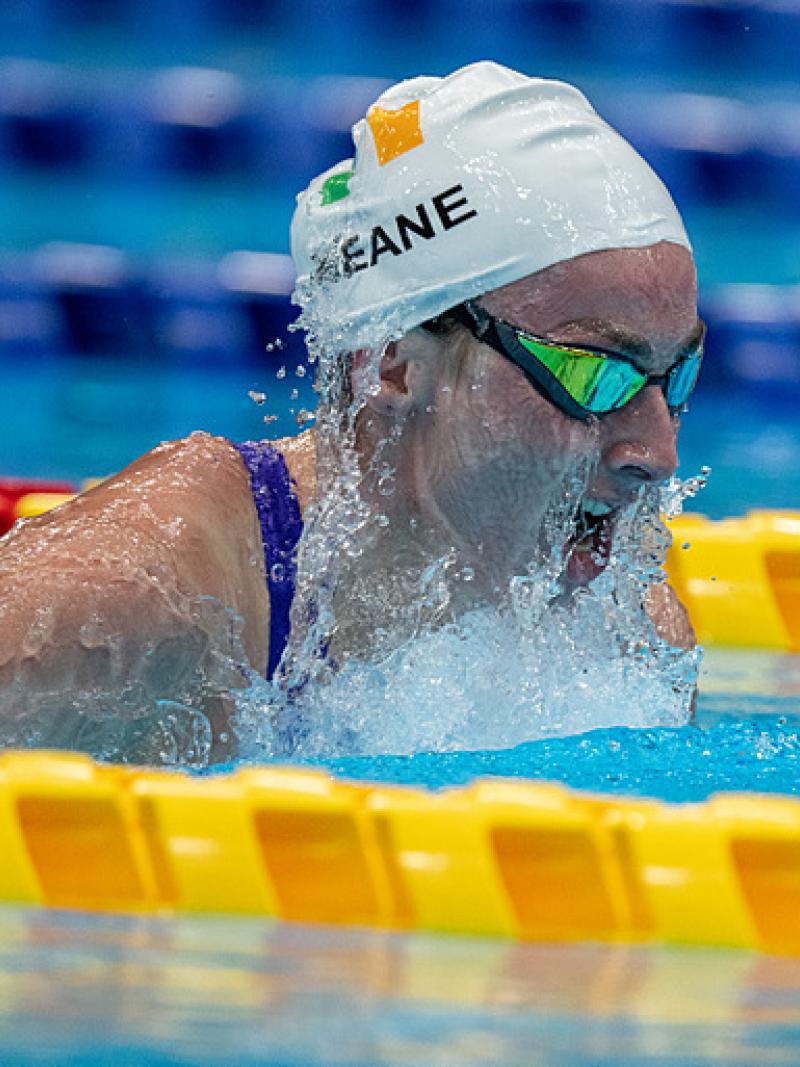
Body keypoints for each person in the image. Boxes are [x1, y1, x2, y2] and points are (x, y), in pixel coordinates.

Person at [0, 62, 700, 761]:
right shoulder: (139, 602)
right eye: (593, 374)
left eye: (678, 374)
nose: (657, 450)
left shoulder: (635, 641)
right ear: (392, 363)